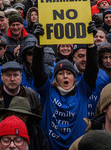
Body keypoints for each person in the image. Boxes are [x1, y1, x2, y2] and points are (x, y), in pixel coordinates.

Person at [32, 21, 98, 149]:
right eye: (61, 73)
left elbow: (92, 70)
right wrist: (39, 45)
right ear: (55, 77)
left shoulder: (83, 90)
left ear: (75, 77)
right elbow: (37, 70)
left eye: (69, 73)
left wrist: (91, 43)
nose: (66, 76)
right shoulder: (48, 90)